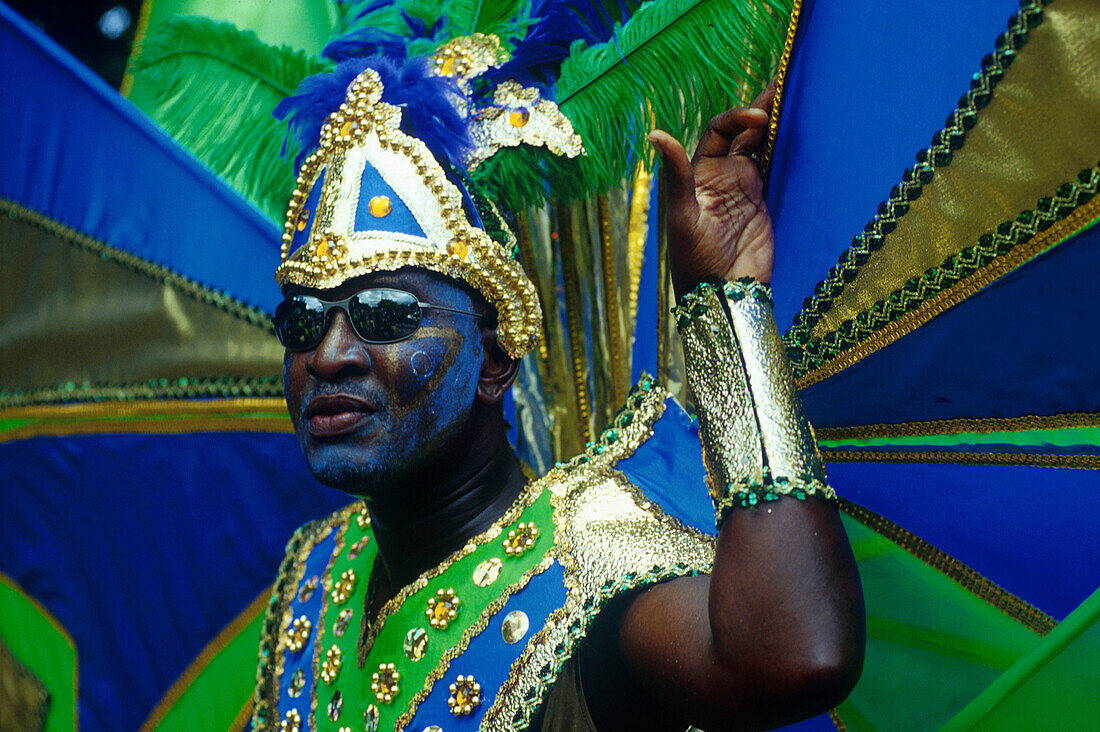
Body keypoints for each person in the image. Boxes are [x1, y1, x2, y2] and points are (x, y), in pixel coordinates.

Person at [251, 49, 864, 732]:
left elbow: (792, 658)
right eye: (303, 321)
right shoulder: (317, 576)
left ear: (493, 362)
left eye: (386, 315)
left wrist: (727, 302)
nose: (328, 355)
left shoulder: (585, 562)